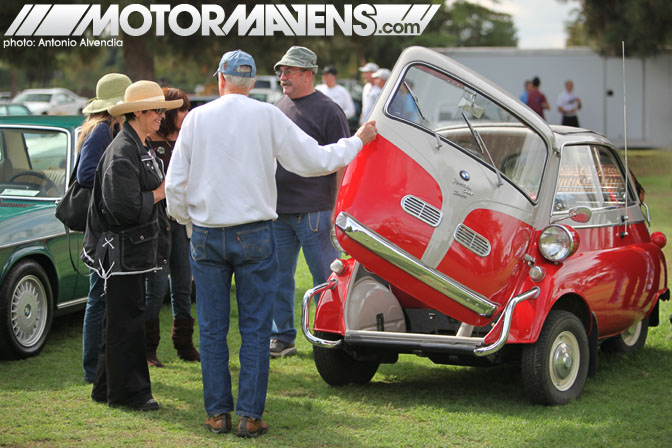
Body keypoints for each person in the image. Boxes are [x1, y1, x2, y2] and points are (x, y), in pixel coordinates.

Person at [164, 49, 377, 438]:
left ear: (221, 79)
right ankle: (249, 415)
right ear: (251, 81)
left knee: (212, 329)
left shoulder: (196, 118)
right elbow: (315, 160)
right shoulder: (267, 115)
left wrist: (187, 223)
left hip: (208, 233)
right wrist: (358, 141)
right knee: (256, 328)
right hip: (255, 232)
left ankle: (217, 413)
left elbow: (176, 183)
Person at [81, 80, 182, 411]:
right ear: (138, 112)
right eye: (156, 111)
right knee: (126, 323)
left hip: (130, 253)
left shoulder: (134, 144)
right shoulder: (124, 150)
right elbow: (122, 207)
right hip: (123, 254)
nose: (160, 117)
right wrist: (160, 192)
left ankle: (106, 387)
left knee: (121, 321)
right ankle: (130, 395)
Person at [270, 46, 352, 359]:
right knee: (278, 277)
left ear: (308, 74)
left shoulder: (329, 110)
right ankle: (282, 338)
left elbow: (343, 159)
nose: (282, 77)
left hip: (316, 210)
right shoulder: (278, 105)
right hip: (280, 210)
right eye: (281, 71)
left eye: (289, 71)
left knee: (325, 278)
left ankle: (331, 336)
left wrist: (337, 205)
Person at [78, 73, 132, 384]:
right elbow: (86, 174)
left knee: (103, 296)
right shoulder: (102, 130)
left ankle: (102, 366)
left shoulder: (108, 128)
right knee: (98, 296)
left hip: (106, 225)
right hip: (100, 227)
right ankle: (91, 370)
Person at [145, 87, 200, 367]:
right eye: (180, 108)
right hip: (155, 223)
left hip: (181, 221)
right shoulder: (146, 143)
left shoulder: (185, 141)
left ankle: (184, 344)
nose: (185, 114)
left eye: (186, 107)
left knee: (182, 283)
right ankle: (148, 349)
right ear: (164, 112)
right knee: (155, 286)